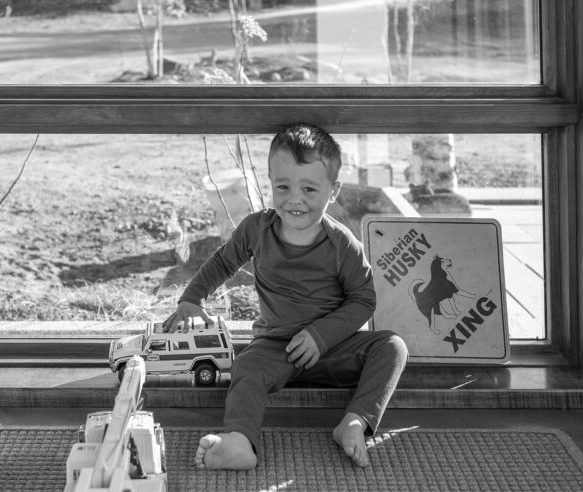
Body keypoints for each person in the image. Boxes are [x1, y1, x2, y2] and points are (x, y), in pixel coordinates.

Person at [163, 122, 408, 470]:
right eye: (283, 186)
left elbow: (364, 300)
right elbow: (222, 262)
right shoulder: (256, 229)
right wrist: (192, 298)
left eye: (309, 188)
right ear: (270, 183)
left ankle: (354, 422)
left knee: (392, 347)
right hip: (276, 348)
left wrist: (320, 336)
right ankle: (241, 441)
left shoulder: (342, 246)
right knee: (245, 365)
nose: (295, 199)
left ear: (333, 191)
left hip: (333, 349)